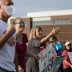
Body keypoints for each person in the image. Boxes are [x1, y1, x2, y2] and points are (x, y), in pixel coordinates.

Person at [0, 0, 17, 72]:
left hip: (11, 69)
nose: (11, 7)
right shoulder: (10, 29)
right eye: (8, 4)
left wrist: (16, 68)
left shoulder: (10, 27)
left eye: (12, 4)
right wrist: (8, 33)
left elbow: (13, 51)